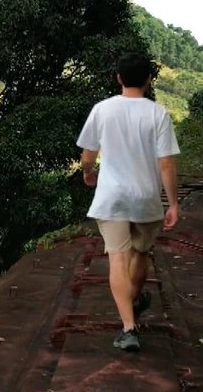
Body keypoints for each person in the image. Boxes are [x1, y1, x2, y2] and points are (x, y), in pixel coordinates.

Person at [76, 52, 180, 352]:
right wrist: (173, 203)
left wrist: (88, 173)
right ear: (149, 79)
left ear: (119, 78)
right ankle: (132, 306)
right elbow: (166, 164)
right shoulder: (158, 114)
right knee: (141, 253)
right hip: (146, 198)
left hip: (112, 197)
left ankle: (128, 327)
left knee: (117, 259)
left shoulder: (102, 110)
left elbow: (87, 155)